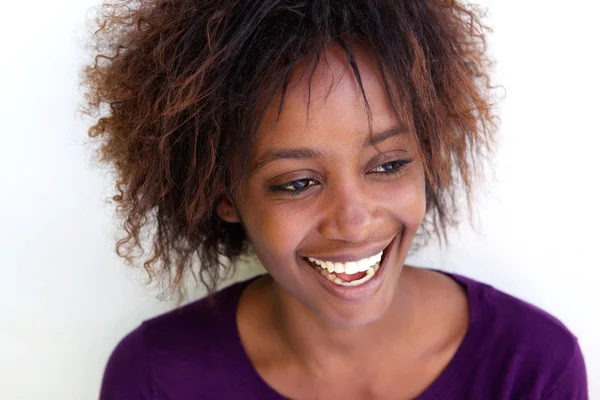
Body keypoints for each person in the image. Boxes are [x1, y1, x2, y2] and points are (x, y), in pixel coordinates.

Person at [82, 0, 588, 398]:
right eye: (297, 182)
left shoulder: (531, 367)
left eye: (388, 165)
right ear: (223, 195)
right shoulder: (155, 378)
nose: (353, 219)